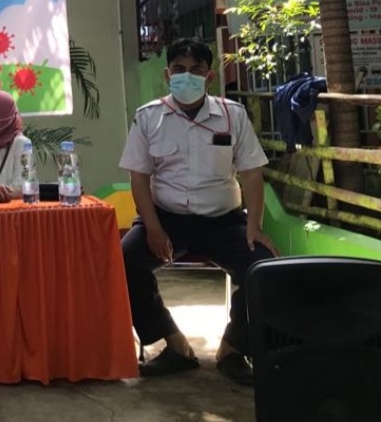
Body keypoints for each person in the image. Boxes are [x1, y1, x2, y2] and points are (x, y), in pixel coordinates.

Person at [119, 37, 277, 386]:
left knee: (262, 267)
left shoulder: (232, 115)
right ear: (167, 75)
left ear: (210, 76)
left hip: (224, 222)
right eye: (179, 69)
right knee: (123, 261)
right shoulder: (148, 117)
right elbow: (139, 178)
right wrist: (153, 228)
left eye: (196, 70)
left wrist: (254, 225)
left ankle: (233, 349)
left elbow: (252, 174)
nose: (186, 76)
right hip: (166, 219)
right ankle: (175, 345)